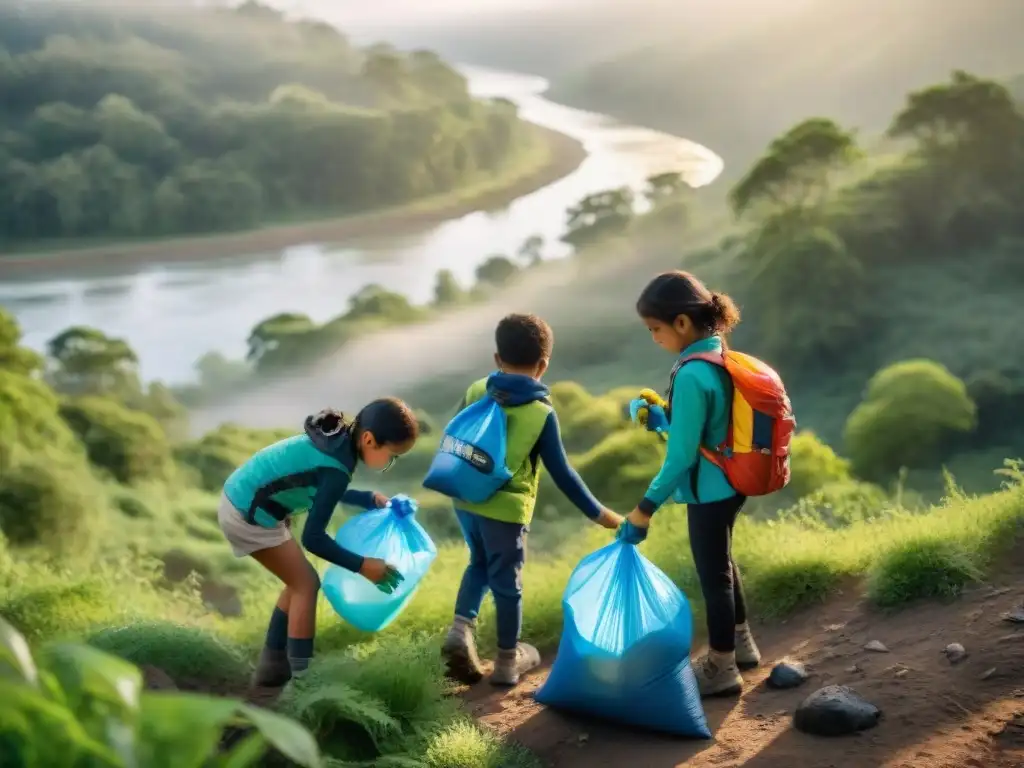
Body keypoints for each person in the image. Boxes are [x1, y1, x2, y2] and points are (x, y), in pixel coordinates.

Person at [441, 313, 624, 687]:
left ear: (497, 359)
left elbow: (456, 436)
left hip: (465, 500)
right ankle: (508, 661)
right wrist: (601, 514)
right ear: (544, 365)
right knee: (508, 582)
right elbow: (563, 474)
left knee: (478, 562)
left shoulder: (477, 389)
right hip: (506, 511)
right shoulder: (541, 412)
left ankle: (460, 629)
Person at [618, 270, 762, 697]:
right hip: (734, 482)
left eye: (655, 329)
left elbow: (681, 458)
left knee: (713, 576)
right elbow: (704, 429)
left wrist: (644, 508)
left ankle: (721, 667)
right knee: (724, 562)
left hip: (709, 489)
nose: (654, 338)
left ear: (681, 322)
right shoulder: (720, 355)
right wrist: (666, 418)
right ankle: (742, 645)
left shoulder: (691, 373)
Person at [217, 399, 418, 688]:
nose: (390, 463)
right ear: (369, 440)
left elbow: (318, 481)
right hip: (247, 512)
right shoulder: (337, 468)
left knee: (296, 580)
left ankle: (272, 667)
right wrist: (362, 566)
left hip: (244, 497)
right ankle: (303, 684)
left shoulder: (338, 441)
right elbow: (313, 539)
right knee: (306, 585)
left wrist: (364, 498)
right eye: (392, 456)